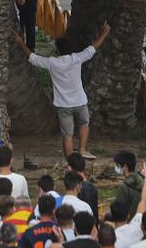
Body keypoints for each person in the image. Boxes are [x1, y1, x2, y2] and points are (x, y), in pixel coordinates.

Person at [13, 21, 110, 158]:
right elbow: (93, 48)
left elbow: (32, 58)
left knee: (67, 134)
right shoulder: (76, 59)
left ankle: (71, 159)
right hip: (80, 102)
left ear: (57, 51)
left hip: (63, 105)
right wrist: (104, 33)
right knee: (84, 124)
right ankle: (82, 150)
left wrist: (20, 42)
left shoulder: (53, 63)